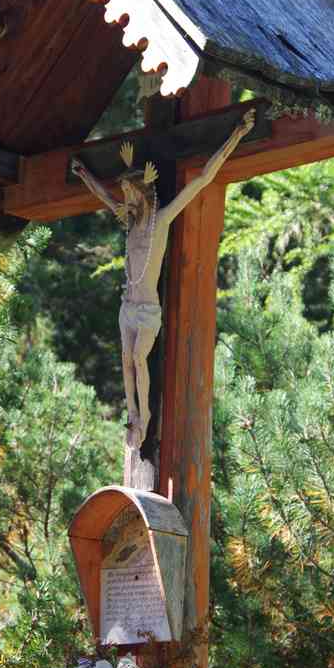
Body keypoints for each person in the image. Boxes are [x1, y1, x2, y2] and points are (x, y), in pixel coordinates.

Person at [72, 106, 256, 448]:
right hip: (127, 307)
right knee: (126, 361)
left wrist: (237, 135)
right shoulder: (129, 222)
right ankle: (133, 415)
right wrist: (84, 174)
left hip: (147, 311)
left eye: (129, 192)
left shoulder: (163, 220)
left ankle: (145, 417)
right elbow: (103, 196)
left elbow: (203, 179)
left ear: (141, 192)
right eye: (125, 192)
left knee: (138, 359)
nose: (125, 197)